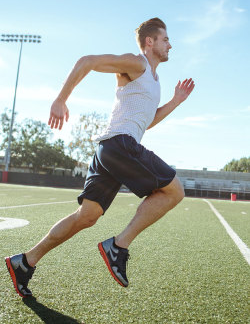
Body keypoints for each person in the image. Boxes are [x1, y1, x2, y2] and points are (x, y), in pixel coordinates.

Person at [5, 17, 195, 297]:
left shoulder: (154, 81)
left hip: (111, 149)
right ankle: (118, 246)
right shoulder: (136, 63)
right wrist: (61, 99)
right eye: (166, 39)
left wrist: (175, 101)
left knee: (88, 215)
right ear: (150, 42)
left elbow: (147, 123)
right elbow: (87, 61)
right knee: (175, 191)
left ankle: (25, 261)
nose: (170, 44)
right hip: (120, 144)